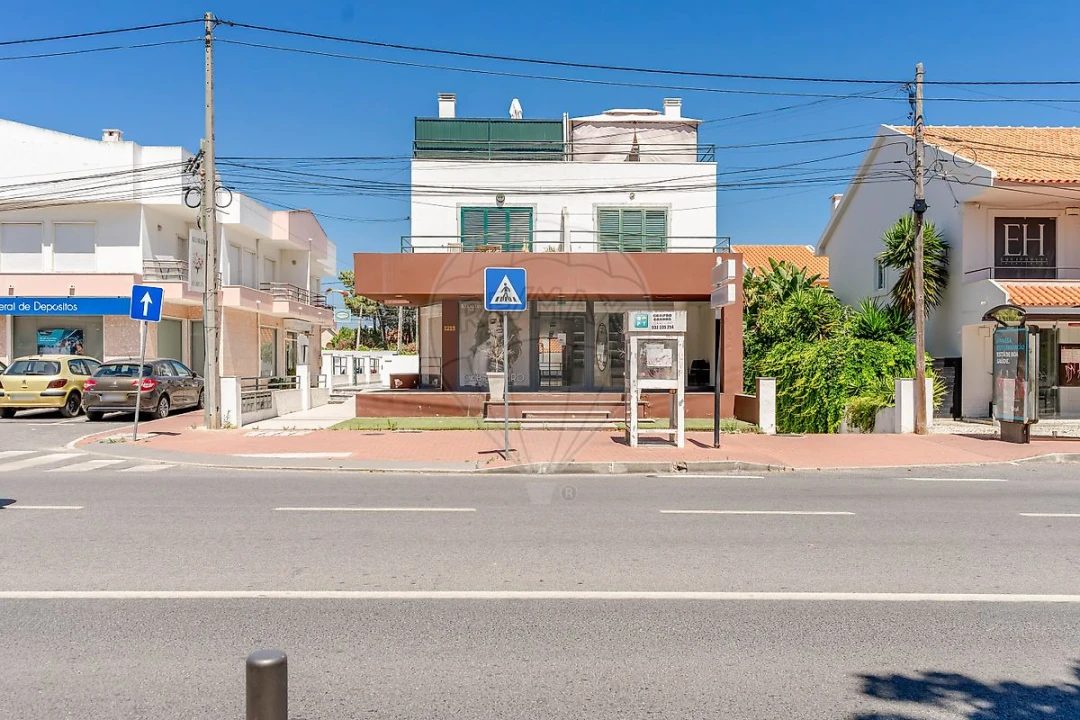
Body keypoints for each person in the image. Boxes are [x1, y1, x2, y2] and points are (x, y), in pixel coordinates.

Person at [469, 310, 521, 381]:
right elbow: (482, 378)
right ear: (487, 328)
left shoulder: (503, 346)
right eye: (493, 322)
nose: (499, 324)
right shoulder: (484, 349)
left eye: (502, 320)